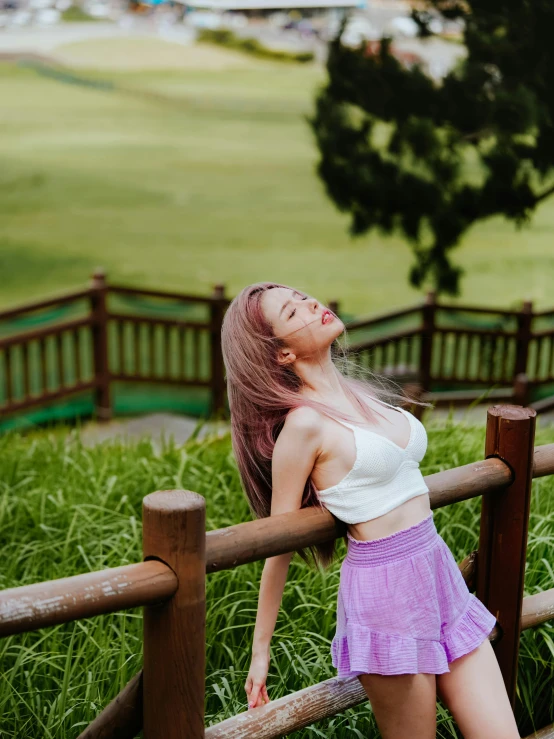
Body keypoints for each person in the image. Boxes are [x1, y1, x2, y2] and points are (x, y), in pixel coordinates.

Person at [220, 282, 520, 739]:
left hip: (437, 573)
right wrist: (260, 652)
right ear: (280, 354)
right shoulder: (304, 425)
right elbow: (275, 543)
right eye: (291, 310)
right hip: (384, 596)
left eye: (303, 295)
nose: (311, 303)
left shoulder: (360, 393)